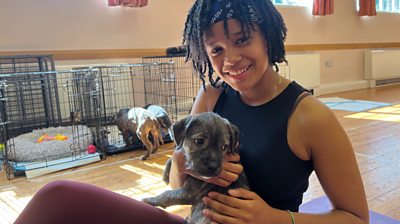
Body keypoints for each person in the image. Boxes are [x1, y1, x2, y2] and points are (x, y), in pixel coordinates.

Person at [15, 0, 369, 224]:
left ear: (268, 37)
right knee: (57, 196)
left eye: (242, 39)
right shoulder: (212, 96)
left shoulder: (309, 116)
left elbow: (355, 218)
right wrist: (191, 165)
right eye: (216, 49)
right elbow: (176, 184)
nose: (229, 59)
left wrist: (274, 219)